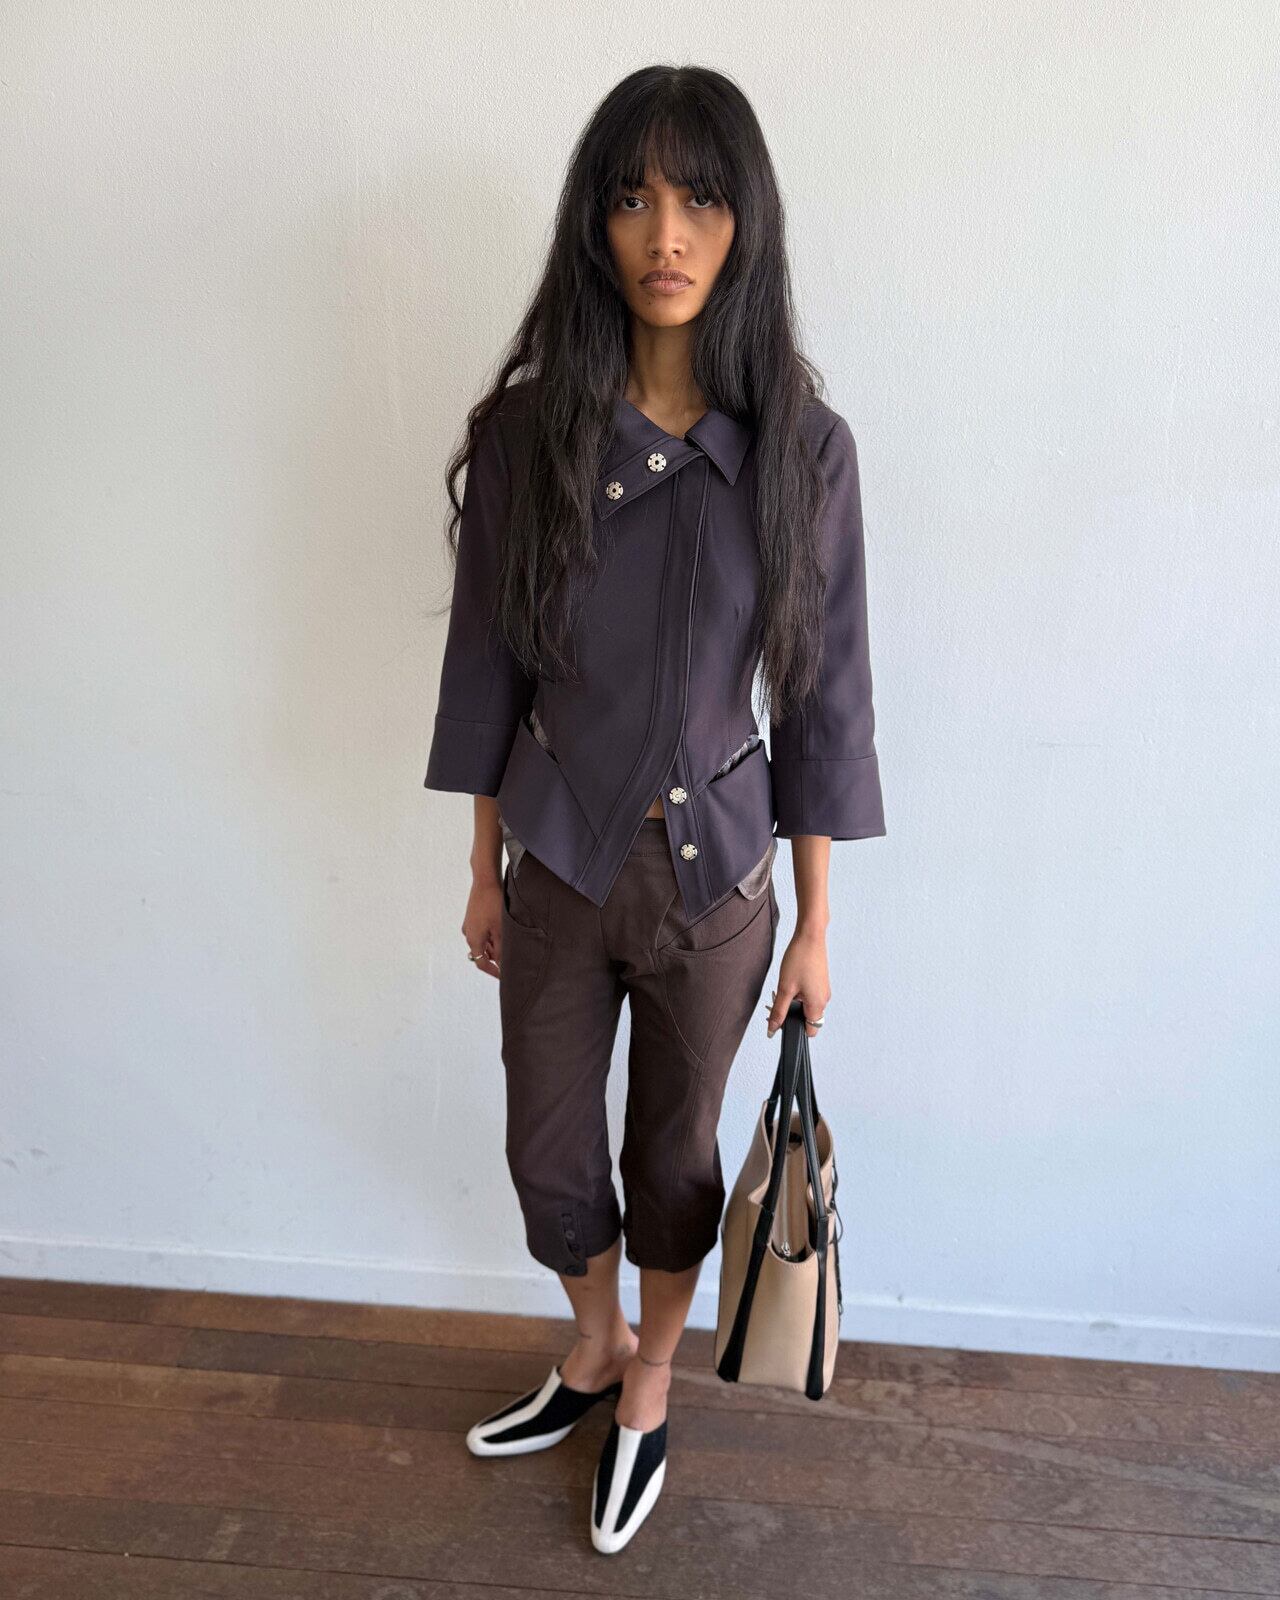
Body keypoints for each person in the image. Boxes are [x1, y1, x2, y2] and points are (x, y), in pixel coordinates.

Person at [423, 64, 885, 1554]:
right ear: (595, 224)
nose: (665, 234)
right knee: (547, 1150)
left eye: (699, 199)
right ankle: (591, 1343)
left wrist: (818, 923)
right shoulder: (527, 439)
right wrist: (484, 867)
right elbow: (485, 667)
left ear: (747, 223)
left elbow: (823, 700)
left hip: (720, 886)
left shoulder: (803, 452)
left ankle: (650, 1385)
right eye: (632, 198)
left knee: (676, 1157)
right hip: (558, 862)